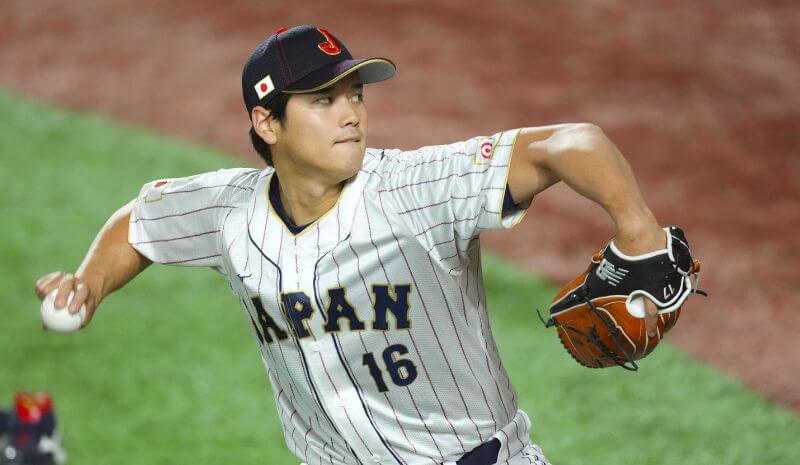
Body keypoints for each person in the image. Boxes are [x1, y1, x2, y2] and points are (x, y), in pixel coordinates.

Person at [34, 25, 668, 465]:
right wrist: (90, 281)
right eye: (323, 99)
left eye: (356, 95)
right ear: (266, 122)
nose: (352, 113)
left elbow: (571, 143)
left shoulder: (415, 189)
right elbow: (142, 220)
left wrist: (638, 233)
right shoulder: (231, 213)